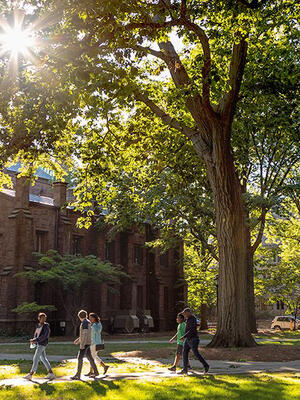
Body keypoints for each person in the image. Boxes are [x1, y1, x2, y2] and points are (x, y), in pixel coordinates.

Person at [24, 312, 55, 380]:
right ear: (39, 318)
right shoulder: (38, 325)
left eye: (45, 318)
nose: (43, 319)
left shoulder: (46, 326)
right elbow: (36, 334)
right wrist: (33, 340)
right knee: (43, 358)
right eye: (42, 318)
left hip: (43, 343)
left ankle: (31, 374)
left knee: (36, 358)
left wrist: (36, 340)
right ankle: (51, 373)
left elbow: (45, 336)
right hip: (38, 343)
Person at [178, 308, 210, 375]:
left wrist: (184, 336)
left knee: (196, 354)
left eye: (185, 314)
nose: (184, 315)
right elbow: (187, 330)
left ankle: (206, 365)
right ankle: (185, 369)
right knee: (184, 353)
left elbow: (191, 330)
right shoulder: (188, 319)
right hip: (188, 339)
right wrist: (185, 337)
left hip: (193, 339)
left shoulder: (193, 319)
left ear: (188, 313)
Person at [71, 309, 99, 380]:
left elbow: (85, 334)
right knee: (90, 358)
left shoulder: (85, 323)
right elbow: (83, 334)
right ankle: (96, 372)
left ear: (79, 317)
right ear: (86, 315)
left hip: (85, 343)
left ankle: (78, 375)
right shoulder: (87, 322)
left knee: (80, 358)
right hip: (88, 342)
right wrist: (78, 340)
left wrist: (82, 345)